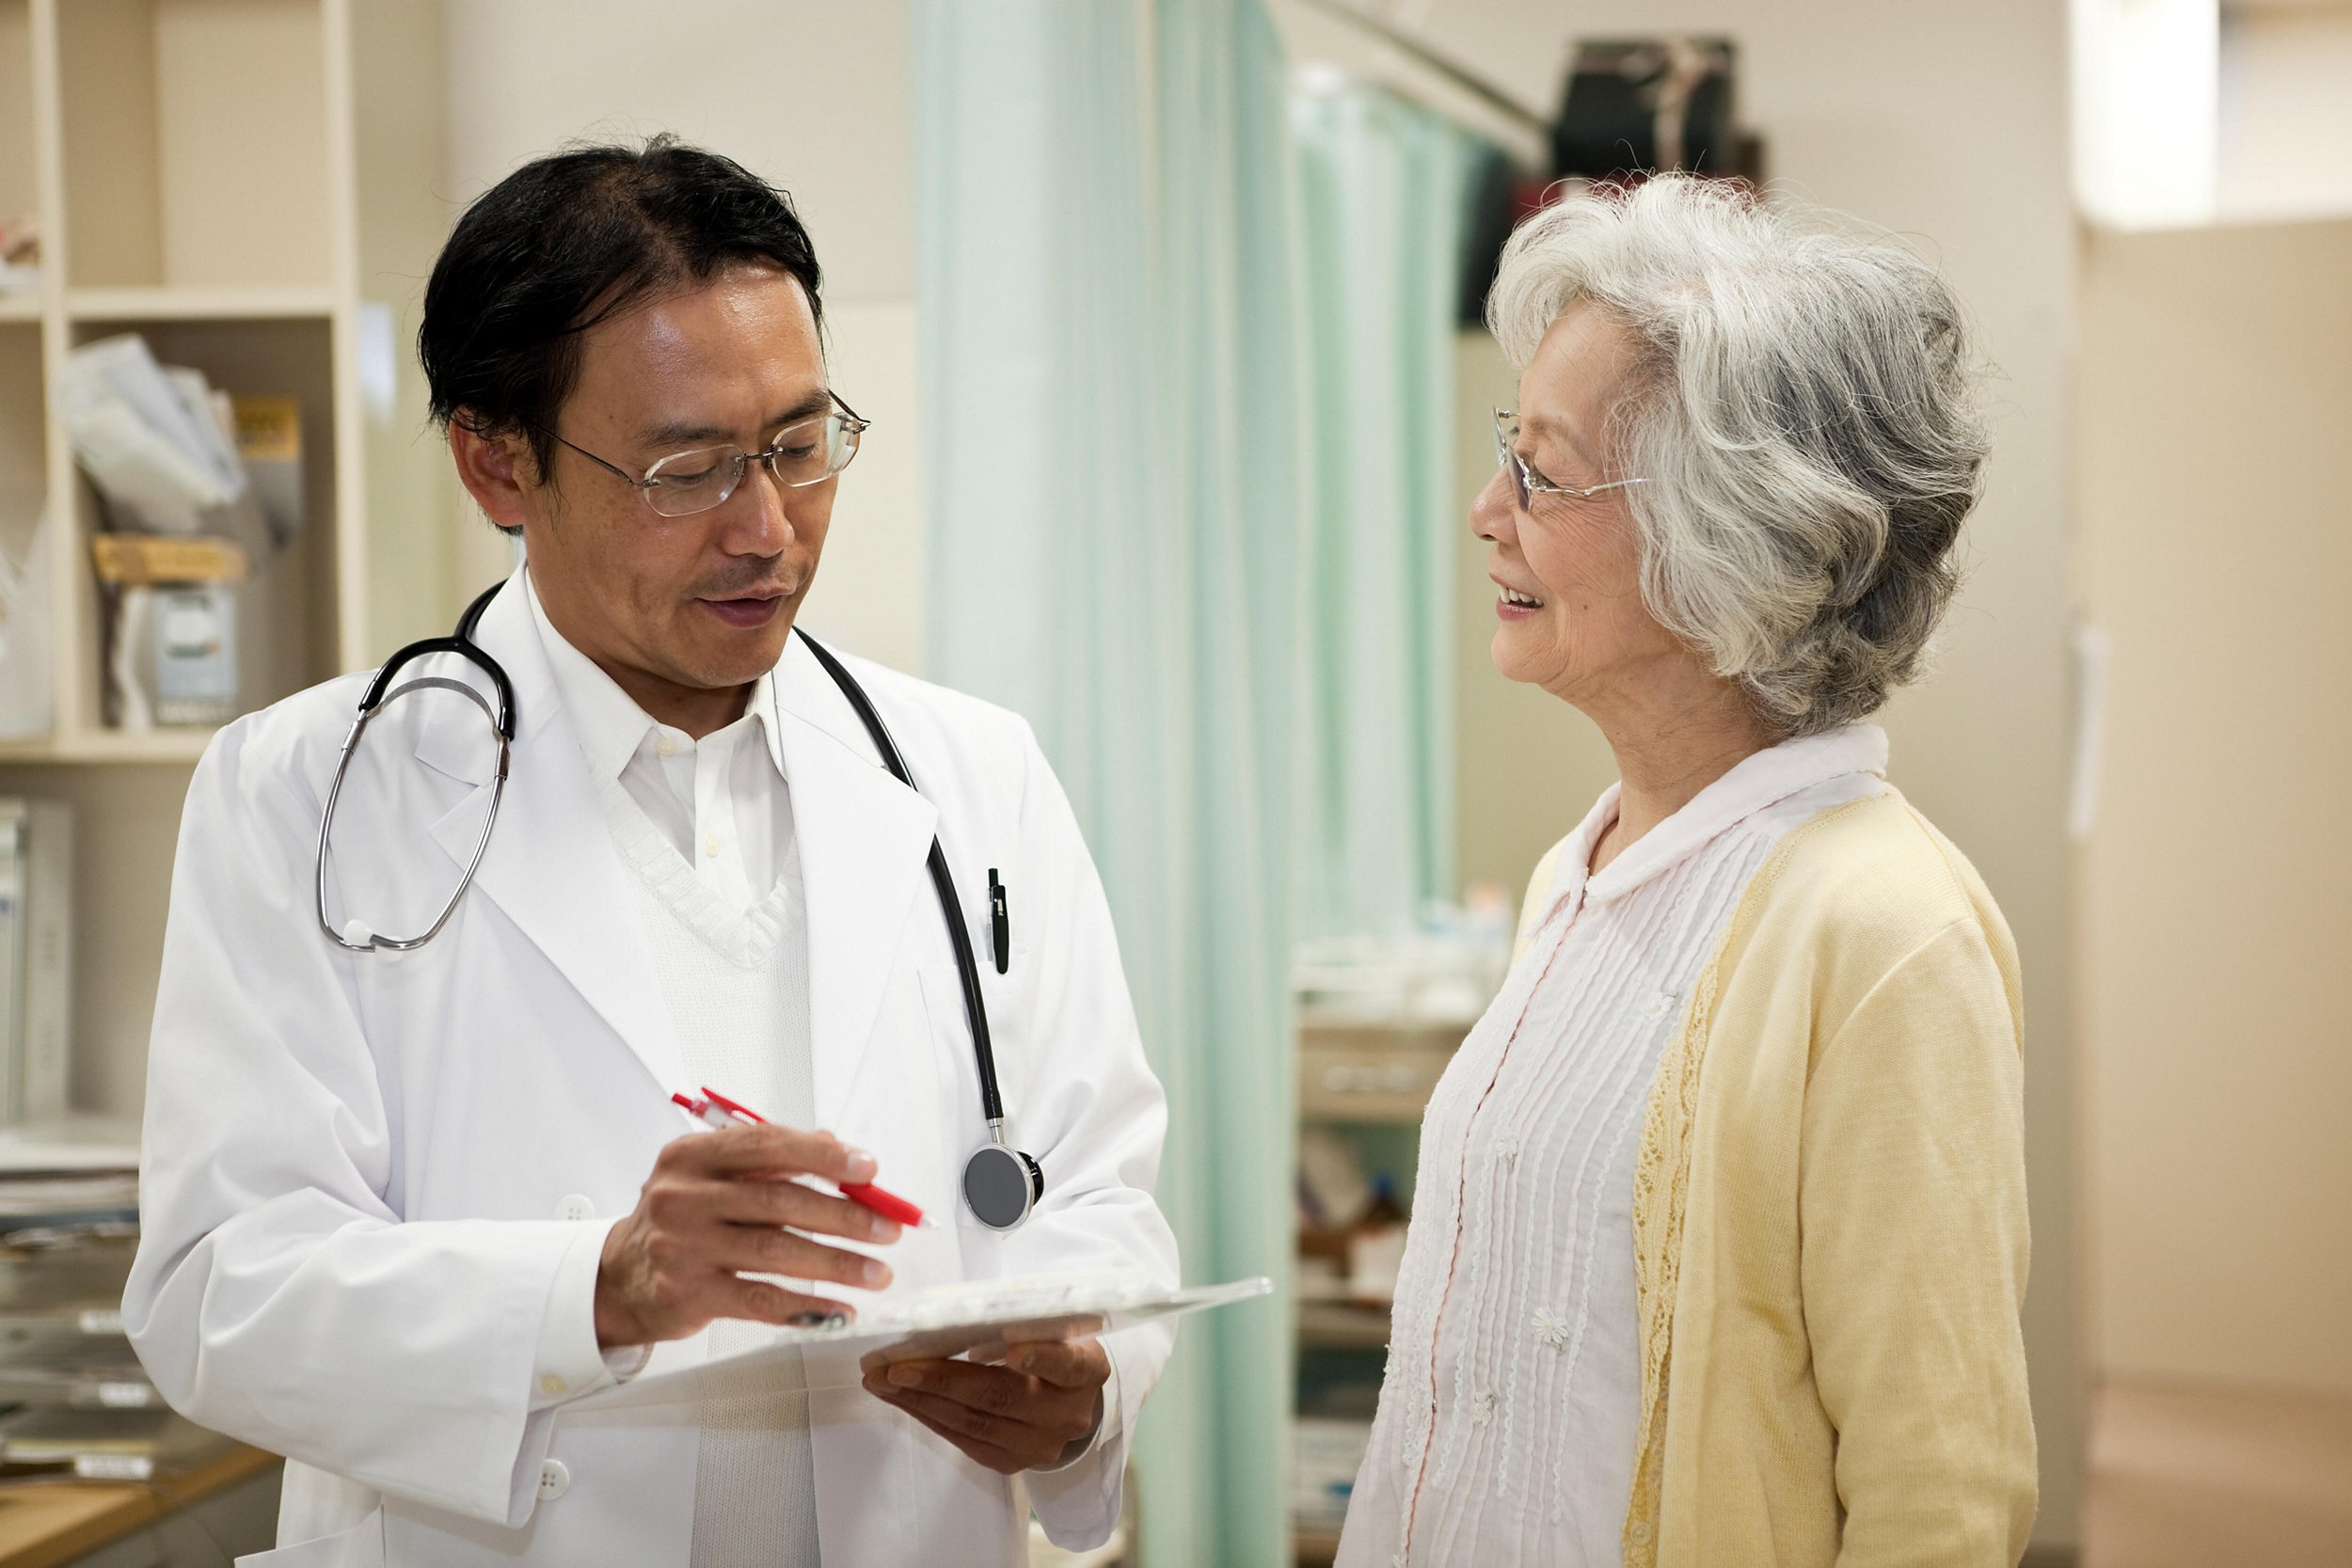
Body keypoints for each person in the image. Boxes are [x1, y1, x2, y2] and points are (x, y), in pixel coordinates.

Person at [123, 138, 1177, 1568]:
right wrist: (598, 1289)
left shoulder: (971, 775)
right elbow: (218, 1292)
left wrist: (1083, 1396)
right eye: (687, 471)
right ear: (497, 462)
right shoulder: (309, 795)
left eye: (797, 448)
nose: (767, 530)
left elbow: (1100, 1191)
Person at [1337, 175, 2036, 1568]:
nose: (1486, 511)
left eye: (1542, 470)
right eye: (1508, 451)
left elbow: (1940, 1496)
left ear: (1730, 528)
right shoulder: (1581, 875)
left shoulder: (1884, 932)